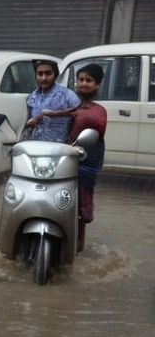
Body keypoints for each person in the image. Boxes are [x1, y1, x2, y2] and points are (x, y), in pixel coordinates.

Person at [67, 63, 107, 252]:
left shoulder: (99, 111)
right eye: (81, 80)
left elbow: (97, 131)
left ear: (97, 85)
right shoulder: (67, 105)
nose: (83, 84)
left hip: (87, 159)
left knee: (82, 209)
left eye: (88, 81)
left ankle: (79, 247)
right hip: (65, 155)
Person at [24, 58, 78, 142]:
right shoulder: (32, 98)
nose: (44, 78)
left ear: (55, 74)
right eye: (40, 74)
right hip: (36, 147)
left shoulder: (68, 96)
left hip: (59, 148)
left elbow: (79, 119)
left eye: (48, 73)